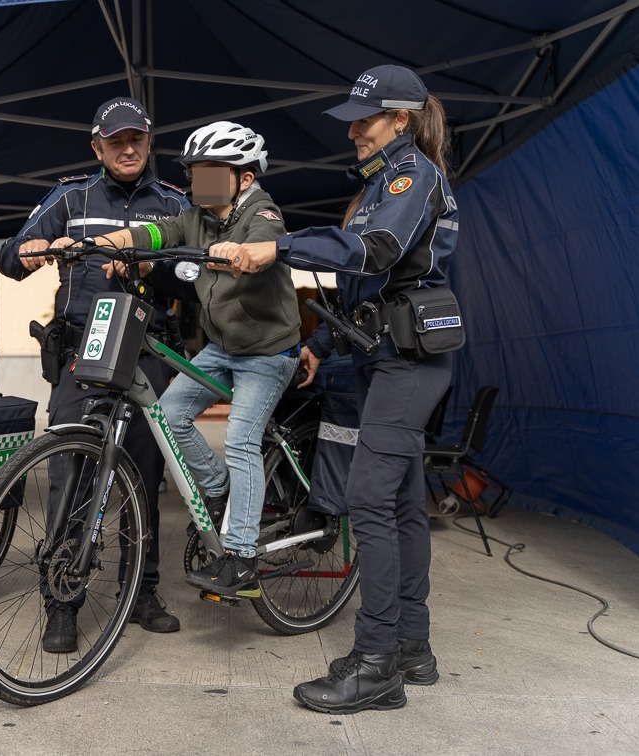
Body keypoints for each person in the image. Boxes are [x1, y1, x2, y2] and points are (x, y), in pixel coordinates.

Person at [228, 65, 457, 714]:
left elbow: (375, 251)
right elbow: (367, 296)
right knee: (405, 506)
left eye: (365, 118)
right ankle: (413, 648)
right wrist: (319, 345)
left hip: (408, 364)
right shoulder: (385, 183)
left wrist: (275, 248)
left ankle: (375, 662)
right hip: (388, 356)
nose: (352, 130)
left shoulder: (411, 177)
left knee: (366, 499)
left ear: (401, 120)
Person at [0, 97, 189, 652]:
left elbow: (195, 278)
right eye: (116, 140)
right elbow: (11, 258)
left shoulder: (174, 204)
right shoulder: (71, 196)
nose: (128, 149)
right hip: (84, 352)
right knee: (71, 475)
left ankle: (143, 591)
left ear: (150, 142)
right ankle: (62, 600)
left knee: (145, 478)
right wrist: (32, 248)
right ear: (97, 146)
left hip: (149, 351)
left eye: (137, 139)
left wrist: (156, 266)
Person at [93, 121, 301, 598]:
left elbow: (266, 242)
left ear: (243, 178)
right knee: (167, 415)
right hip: (222, 349)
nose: (197, 182)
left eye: (210, 172)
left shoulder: (260, 210)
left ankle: (242, 556)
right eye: (194, 173)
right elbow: (154, 232)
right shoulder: (197, 216)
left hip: (268, 355)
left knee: (242, 438)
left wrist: (244, 252)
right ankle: (220, 488)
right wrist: (95, 244)